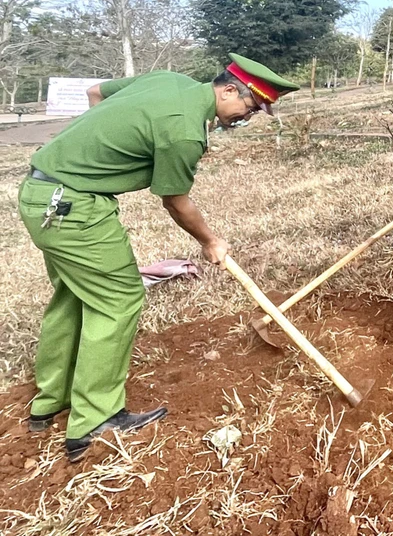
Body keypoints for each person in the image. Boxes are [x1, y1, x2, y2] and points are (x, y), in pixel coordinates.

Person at [19, 54, 299, 461]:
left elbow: (95, 92)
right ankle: (95, 417)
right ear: (227, 90)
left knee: (74, 297)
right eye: (249, 108)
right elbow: (175, 202)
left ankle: (50, 401)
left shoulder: (168, 80)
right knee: (118, 300)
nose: (246, 118)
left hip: (41, 195)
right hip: (76, 209)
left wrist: (98, 150)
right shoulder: (185, 132)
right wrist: (211, 241)